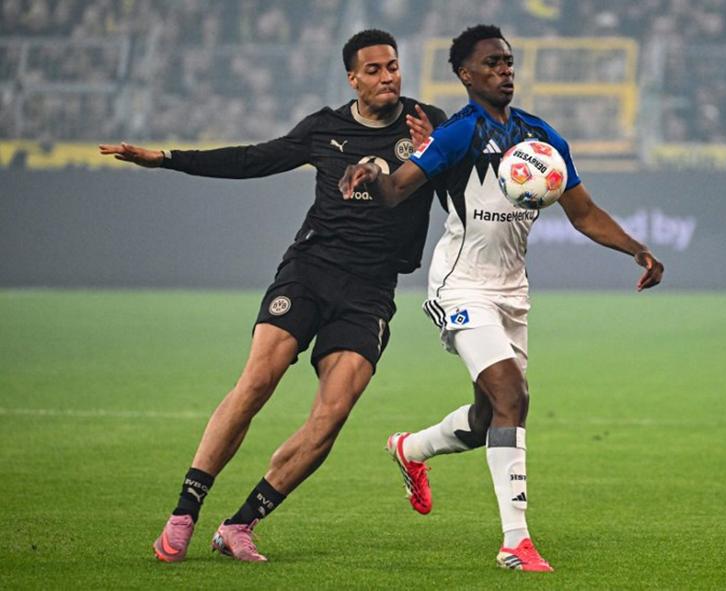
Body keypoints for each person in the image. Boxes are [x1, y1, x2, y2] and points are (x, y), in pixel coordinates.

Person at [99, 29, 445, 563]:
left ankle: (239, 525)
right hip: (310, 270)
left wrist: (434, 150)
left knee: (332, 416)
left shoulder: (429, 124)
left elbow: (465, 172)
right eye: (373, 70)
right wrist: (165, 158)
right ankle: (185, 510)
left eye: (393, 66)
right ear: (352, 78)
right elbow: (250, 159)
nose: (387, 77)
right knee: (258, 379)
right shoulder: (324, 128)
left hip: (371, 290)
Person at [339, 24, 664, 573]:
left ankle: (410, 449)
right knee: (512, 395)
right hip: (461, 284)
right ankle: (516, 542)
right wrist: (372, 168)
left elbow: (582, 213)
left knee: (494, 411)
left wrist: (637, 250)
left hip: (512, 290)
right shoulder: (459, 134)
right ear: (465, 75)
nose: (504, 71)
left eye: (508, 62)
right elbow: (396, 191)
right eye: (491, 64)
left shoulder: (541, 139)